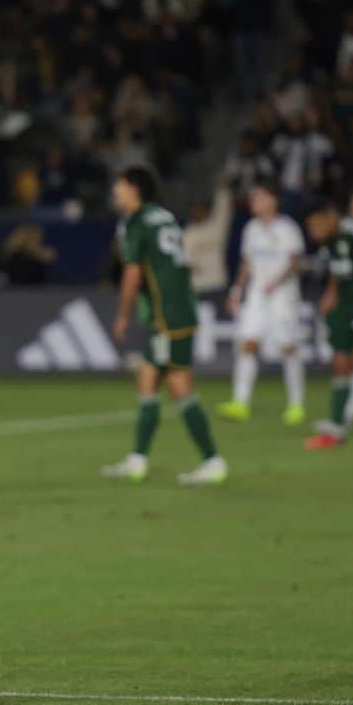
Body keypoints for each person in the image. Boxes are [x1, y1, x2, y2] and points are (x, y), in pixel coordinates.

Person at [102, 167, 228, 485]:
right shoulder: (164, 216)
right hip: (178, 308)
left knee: (179, 384)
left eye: (120, 184)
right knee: (148, 380)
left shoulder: (136, 222)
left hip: (167, 316)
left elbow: (132, 273)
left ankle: (212, 460)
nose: (116, 190)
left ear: (134, 188)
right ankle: (138, 459)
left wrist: (123, 315)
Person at [218, 182, 306, 424]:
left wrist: (276, 282)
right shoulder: (251, 229)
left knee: (288, 347)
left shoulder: (287, 228)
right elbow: (246, 264)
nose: (253, 201)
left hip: (283, 295)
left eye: (259, 197)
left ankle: (296, 405)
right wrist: (237, 290)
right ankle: (240, 402)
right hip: (257, 293)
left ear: (272, 200)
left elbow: (296, 262)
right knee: (248, 344)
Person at [303, 188, 353, 449]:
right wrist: (330, 295)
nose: (312, 231)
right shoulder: (331, 243)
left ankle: (338, 425)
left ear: (329, 218)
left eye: (315, 224)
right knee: (341, 362)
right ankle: (336, 429)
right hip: (345, 308)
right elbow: (339, 272)